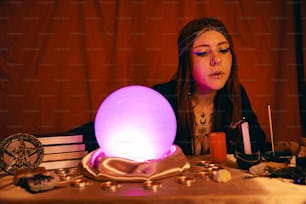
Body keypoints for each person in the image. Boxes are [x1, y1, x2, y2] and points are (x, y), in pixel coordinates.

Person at [152, 17, 266, 155]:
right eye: (203, 53)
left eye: (223, 50)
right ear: (186, 61)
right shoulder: (162, 99)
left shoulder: (235, 94)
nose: (217, 60)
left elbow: (257, 148)